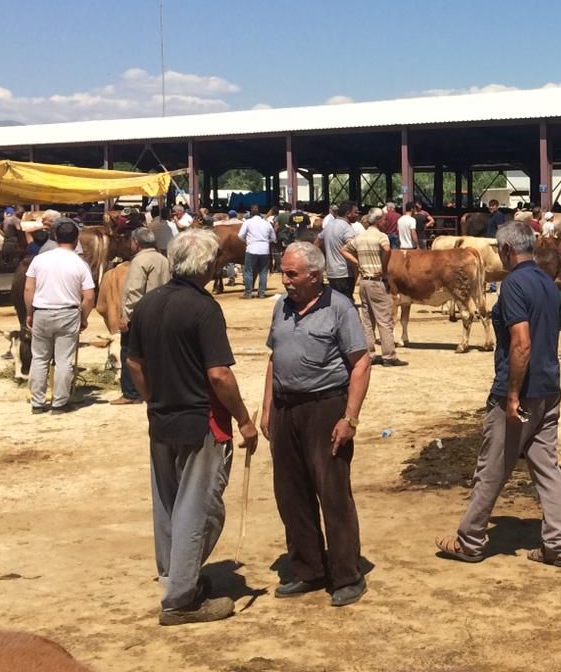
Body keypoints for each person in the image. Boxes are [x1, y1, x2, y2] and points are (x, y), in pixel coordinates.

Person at [124, 229, 257, 626]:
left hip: (161, 417)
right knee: (198, 507)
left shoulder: (148, 304)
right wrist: (244, 419)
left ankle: (174, 576)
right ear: (209, 265)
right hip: (201, 419)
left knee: (167, 502)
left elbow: (134, 365)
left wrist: (154, 399)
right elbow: (218, 375)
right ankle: (182, 598)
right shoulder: (204, 309)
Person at [436, 221, 561, 567]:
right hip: (549, 388)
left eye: (499, 251)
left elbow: (521, 343)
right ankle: (557, 544)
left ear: (508, 251)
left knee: (491, 467)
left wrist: (511, 396)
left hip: (520, 391)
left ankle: (470, 540)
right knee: (547, 470)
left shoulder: (513, 285)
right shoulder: (546, 282)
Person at [261, 242, 372, 607]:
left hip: (326, 408)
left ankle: (346, 575)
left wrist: (350, 417)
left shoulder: (339, 308)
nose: (285, 280)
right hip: (285, 409)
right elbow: (274, 358)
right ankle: (307, 568)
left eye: (292, 274)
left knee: (332, 491)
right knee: (290, 492)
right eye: (283, 272)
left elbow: (360, 363)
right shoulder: (281, 307)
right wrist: (266, 410)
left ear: (315, 275)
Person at [24, 220, 96, 414]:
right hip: (68, 312)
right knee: (64, 360)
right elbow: (89, 296)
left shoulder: (39, 260)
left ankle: (37, 403)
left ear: (55, 237)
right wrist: (84, 317)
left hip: (42, 312)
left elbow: (29, 288)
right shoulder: (80, 263)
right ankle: (59, 402)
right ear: (76, 239)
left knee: (39, 358)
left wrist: (30, 313)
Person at [112, 228, 171, 405]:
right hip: (162, 311)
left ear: (136, 243)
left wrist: (126, 316)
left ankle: (131, 392)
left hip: (141, 314)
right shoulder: (163, 259)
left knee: (129, 353)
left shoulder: (139, 261)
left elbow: (134, 291)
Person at [342, 210, 406, 368]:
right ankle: (389, 355)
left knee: (368, 320)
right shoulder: (381, 236)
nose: (386, 222)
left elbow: (343, 250)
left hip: (364, 281)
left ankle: (370, 354)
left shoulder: (360, 237)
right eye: (384, 220)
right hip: (377, 281)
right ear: (378, 221)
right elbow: (386, 249)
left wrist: (357, 263)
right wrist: (383, 267)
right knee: (384, 319)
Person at [319, 200, 357, 298]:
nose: (357, 215)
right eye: (355, 212)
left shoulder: (329, 226)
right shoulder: (347, 229)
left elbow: (317, 242)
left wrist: (325, 256)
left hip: (331, 272)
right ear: (348, 213)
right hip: (345, 273)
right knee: (346, 302)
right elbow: (352, 249)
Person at [238, 204, 275, 298]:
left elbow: (240, 235)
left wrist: (247, 241)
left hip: (252, 249)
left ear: (250, 213)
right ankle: (261, 293)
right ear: (260, 213)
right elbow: (273, 238)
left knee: (248, 271)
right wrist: (266, 241)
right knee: (263, 272)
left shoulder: (247, 222)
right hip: (264, 250)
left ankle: (248, 293)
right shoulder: (266, 223)